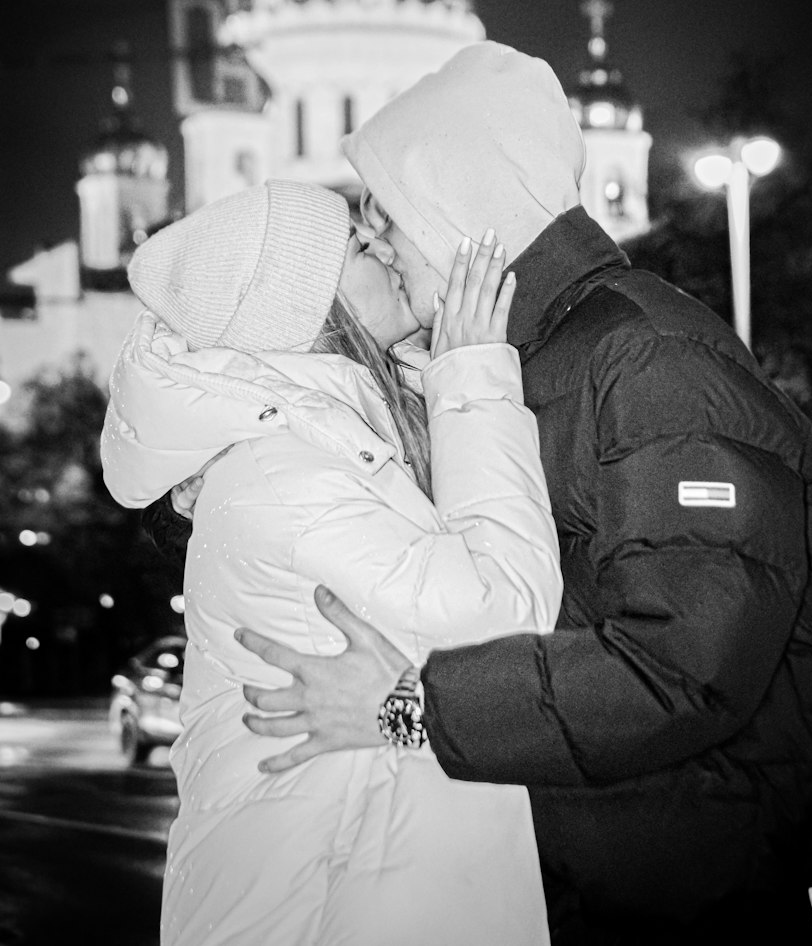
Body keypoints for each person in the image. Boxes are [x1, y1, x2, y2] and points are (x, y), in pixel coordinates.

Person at [146, 43, 812, 945]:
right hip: (581, 865)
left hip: (677, 879)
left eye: (386, 214)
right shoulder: (505, 361)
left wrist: (409, 707)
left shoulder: (652, 361)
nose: (376, 240)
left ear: (462, 205)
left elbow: (684, 666)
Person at [102, 178, 562, 946]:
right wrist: (475, 375)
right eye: (357, 244)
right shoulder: (286, 478)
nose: (384, 246)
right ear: (306, 307)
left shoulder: (333, 445)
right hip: (329, 906)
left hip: (364, 884)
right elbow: (508, 610)